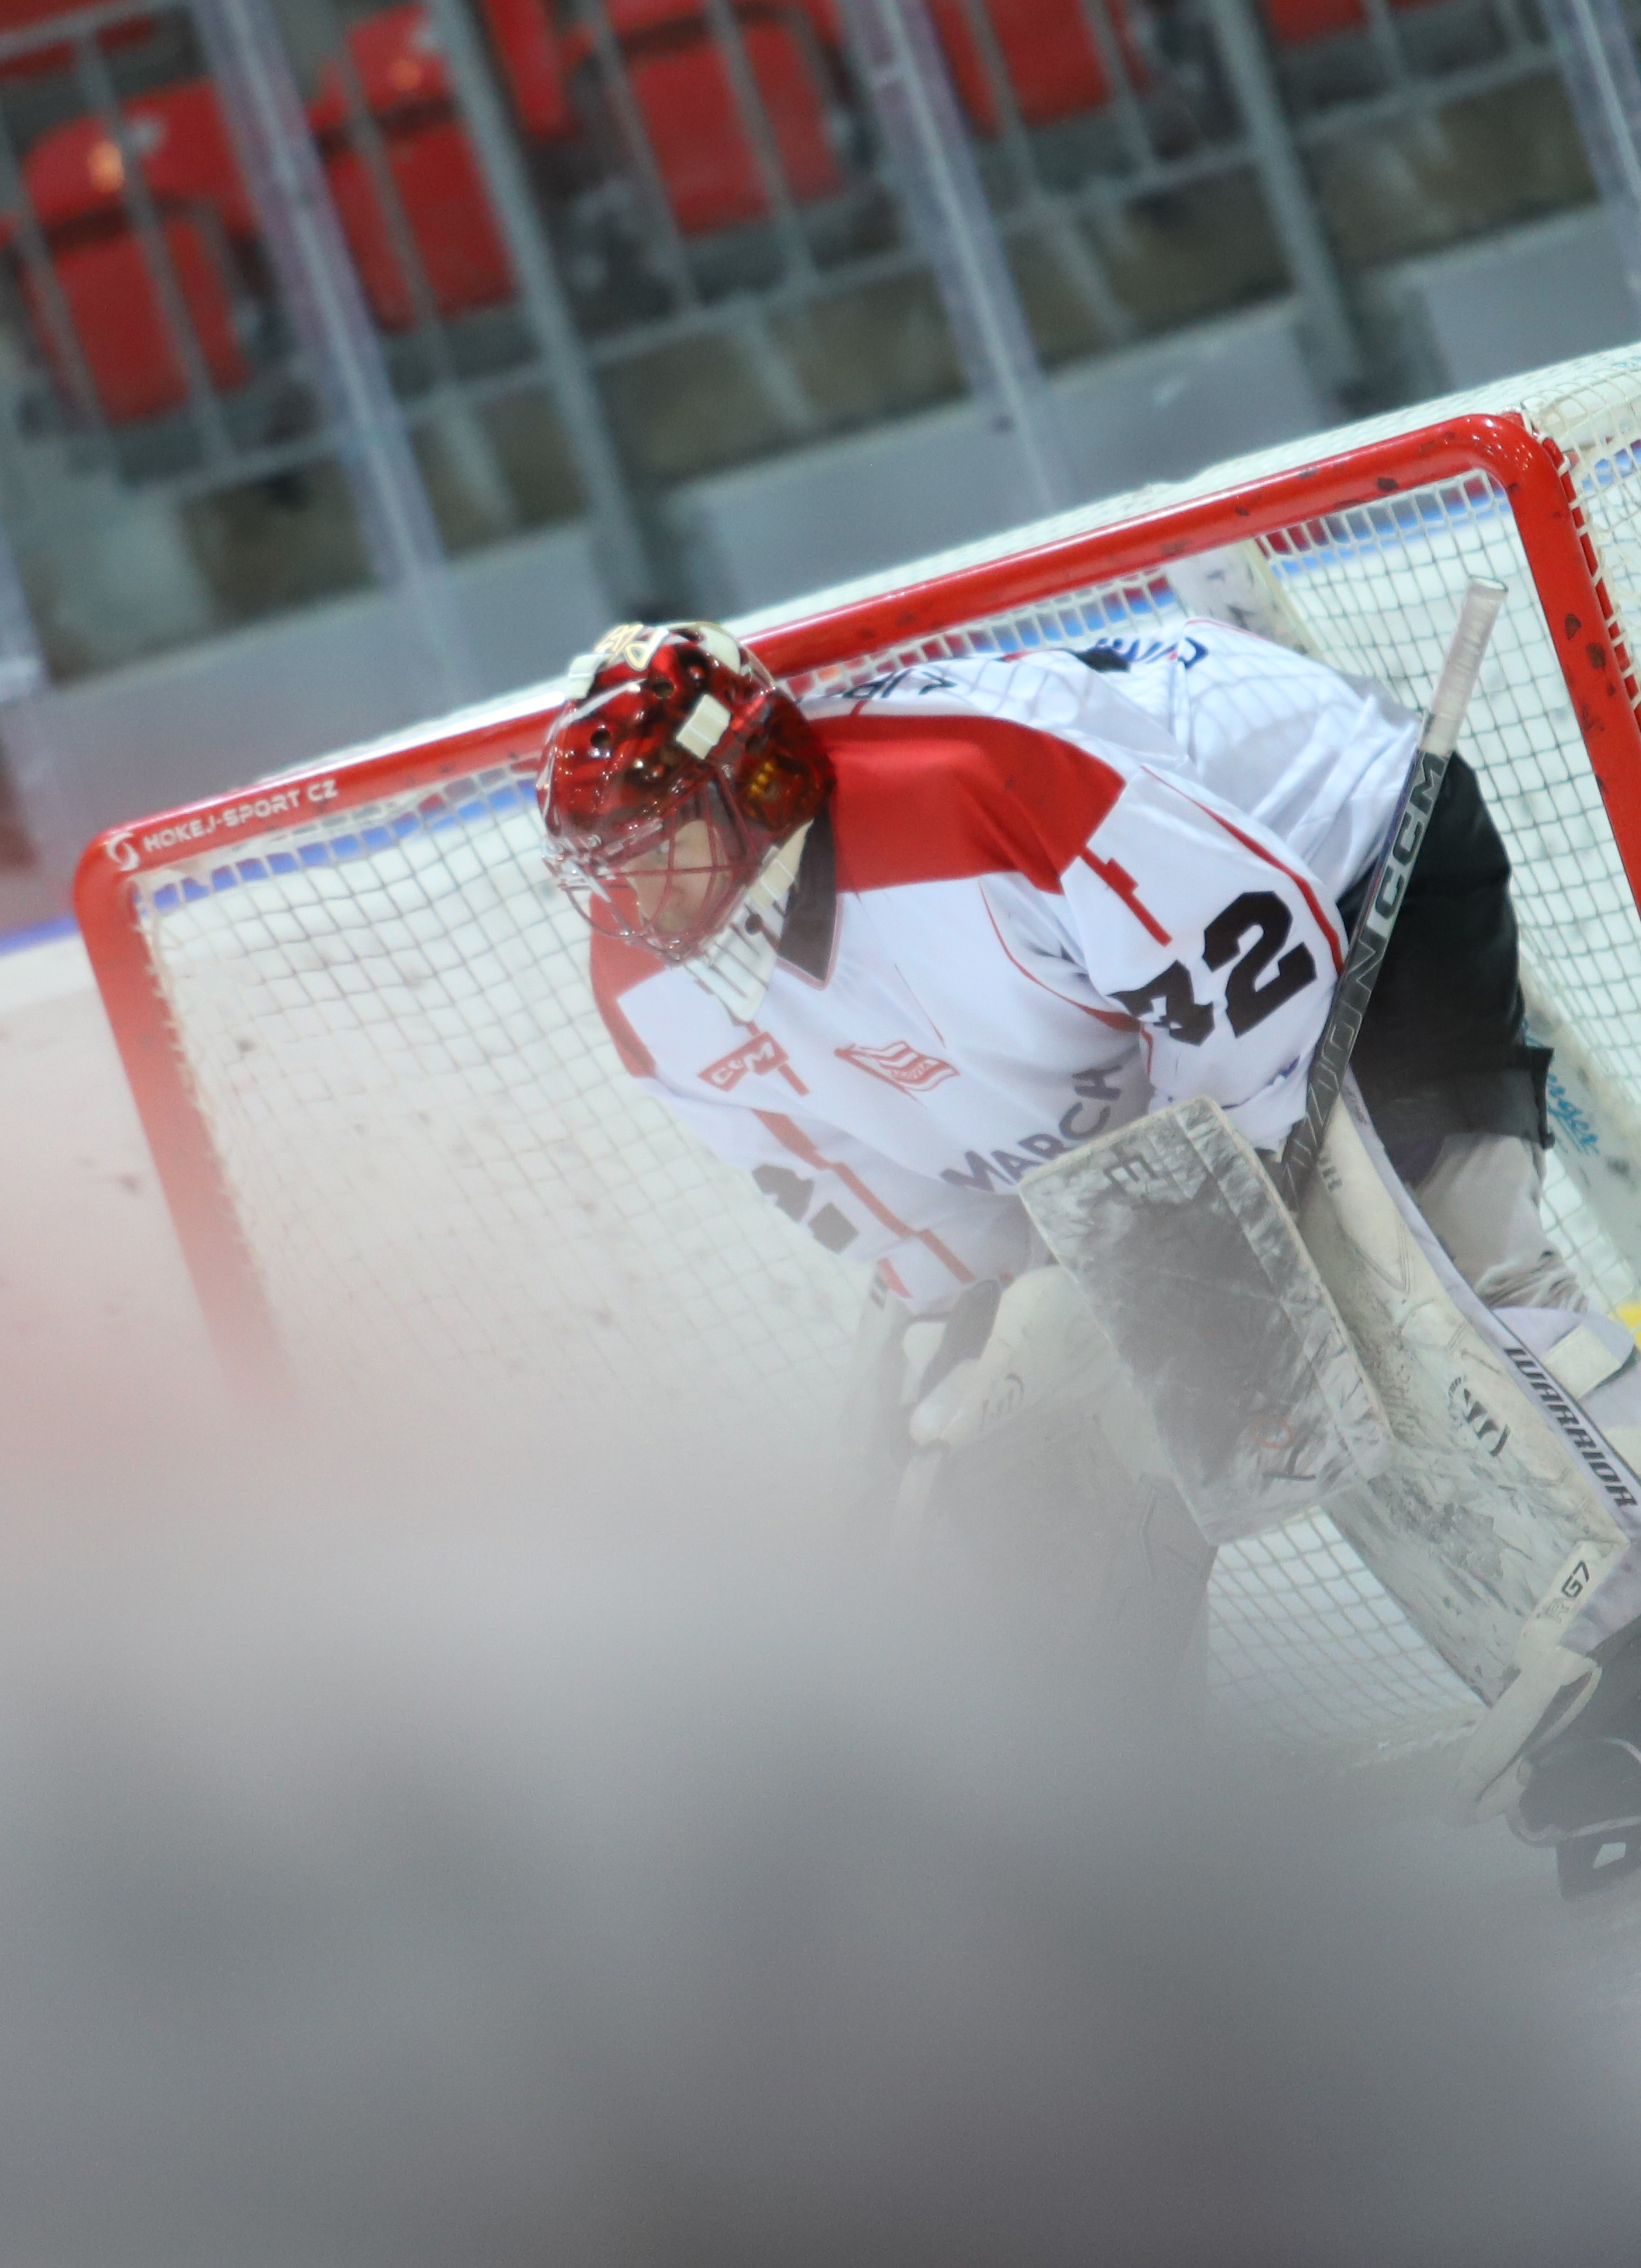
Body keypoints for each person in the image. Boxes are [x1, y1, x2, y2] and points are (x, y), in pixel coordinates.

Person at [537, 618, 1641, 1843]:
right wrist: (1040, 1333)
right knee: (1032, 1444)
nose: (639, 895)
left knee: (1426, 1294)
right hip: (1141, 1034)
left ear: (752, 779)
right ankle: (1107, 1825)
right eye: (614, 865)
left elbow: (1256, 989)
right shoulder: (647, 983)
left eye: (664, 841)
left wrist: (1209, 1265)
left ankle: (1625, 1671)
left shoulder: (981, 786)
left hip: (1343, 862)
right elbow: (920, 1222)